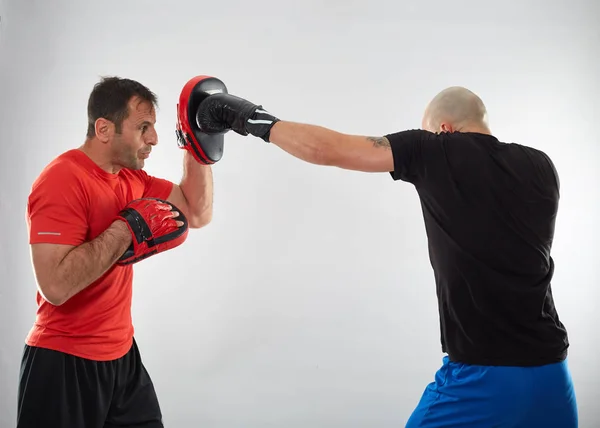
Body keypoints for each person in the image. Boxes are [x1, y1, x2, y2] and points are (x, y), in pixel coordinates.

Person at [195, 86, 578, 427]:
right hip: (552, 375)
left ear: (443, 129)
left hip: (483, 378)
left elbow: (328, 149)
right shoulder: (541, 166)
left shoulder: (434, 149)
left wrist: (243, 116)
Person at [18, 76, 213, 428]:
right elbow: (56, 287)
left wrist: (198, 143)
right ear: (104, 129)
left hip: (122, 355)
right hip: (64, 360)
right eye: (143, 127)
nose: (153, 138)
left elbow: (196, 212)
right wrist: (126, 229)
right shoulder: (62, 179)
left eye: (153, 127)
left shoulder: (130, 179)